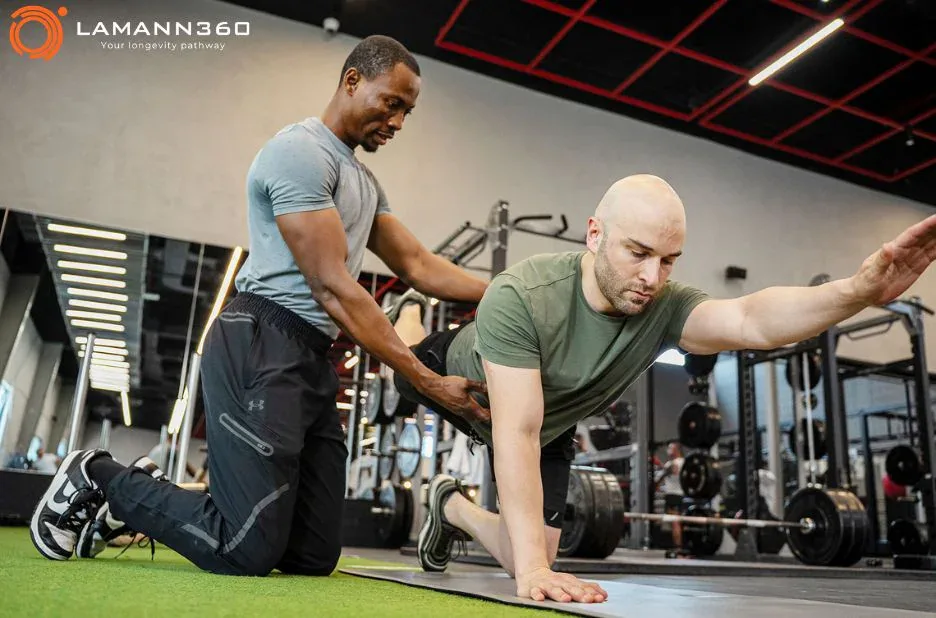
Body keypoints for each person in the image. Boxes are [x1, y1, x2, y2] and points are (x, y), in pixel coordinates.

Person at [30, 35, 489, 577]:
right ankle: (98, 475)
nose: (398, 122)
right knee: (242, 549)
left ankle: (136, 496)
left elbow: (417, 264)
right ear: (352, 81)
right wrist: (426, 380)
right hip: (261, 339)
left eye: (407, 111)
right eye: (392, 103)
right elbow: (331, 285)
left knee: (312, 556)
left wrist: (507, 290)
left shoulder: (364, 181)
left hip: (311, 353)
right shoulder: (300, 153)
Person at [390, 173, 936, 605]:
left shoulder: (664, 306)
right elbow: (516, 432)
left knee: (534, 556)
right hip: (457, 379)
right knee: (402, 368)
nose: (653, 277)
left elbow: (752, 320)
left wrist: (858, 291)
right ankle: (408, 315)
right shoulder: (523, 294)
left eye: (668, 260)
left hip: (544, 421)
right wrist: (533, 570)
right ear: (595, 235)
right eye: (638, 252)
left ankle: (451, 506)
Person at [655, 441, 685, 549]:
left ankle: (678, 548)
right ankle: (678, 546)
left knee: (674, 523)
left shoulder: (671, 464)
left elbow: (658, 480)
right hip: (681, 495)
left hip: (672, 495)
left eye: (670, 448)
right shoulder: (685, 463)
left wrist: (656, 485)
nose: (668, 451)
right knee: (677, 522)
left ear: (676, 450)